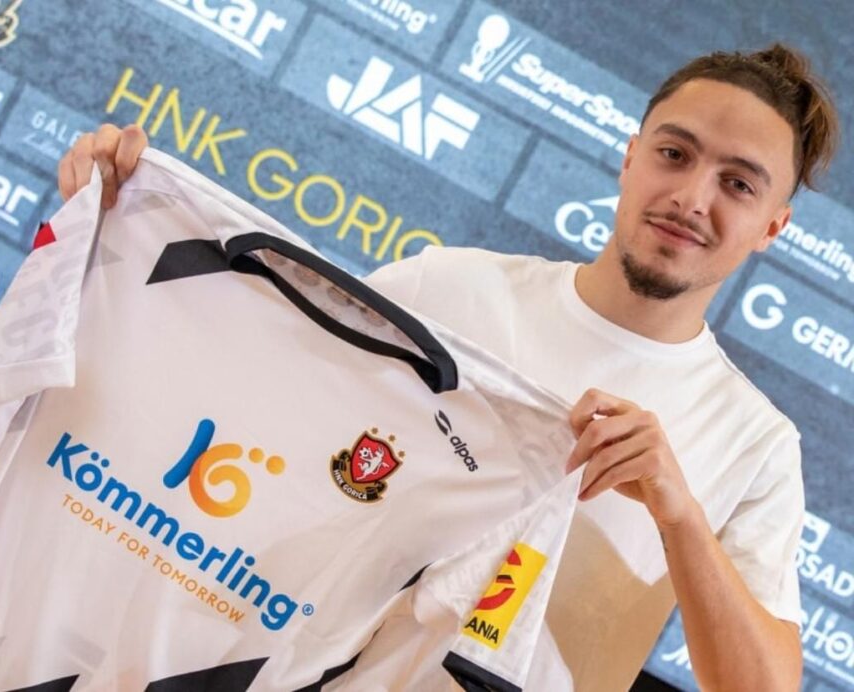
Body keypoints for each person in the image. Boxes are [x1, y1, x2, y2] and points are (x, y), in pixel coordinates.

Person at [57, 45, 839, 690]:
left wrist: (679, 515)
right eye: (674, 154)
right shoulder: (447, 289)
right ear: (631, 158)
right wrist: (119, 229)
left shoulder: (754, 443)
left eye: (737, 184)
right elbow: (234, 401)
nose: (692, 197)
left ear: (771, 227)